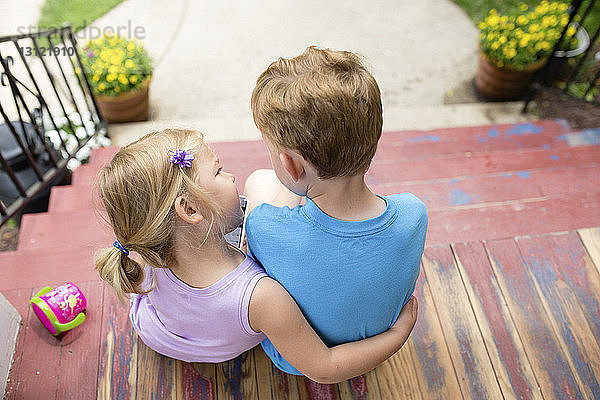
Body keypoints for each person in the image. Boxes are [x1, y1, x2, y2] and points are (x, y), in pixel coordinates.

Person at [94, 128, 418, 384]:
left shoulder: (145, 249)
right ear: (190, 209)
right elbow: (324, 367)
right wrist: (397, 335)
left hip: (157, 334)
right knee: (267, 183)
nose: (231, 177)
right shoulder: (261, 295)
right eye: (219, 172)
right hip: (222, 348)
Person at [244, 46, 428, 375]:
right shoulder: (415, 214)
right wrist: (398, 334)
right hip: (378, 338)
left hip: (295, 359)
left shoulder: (264, 228)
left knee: (260, 181)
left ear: (290, 163)